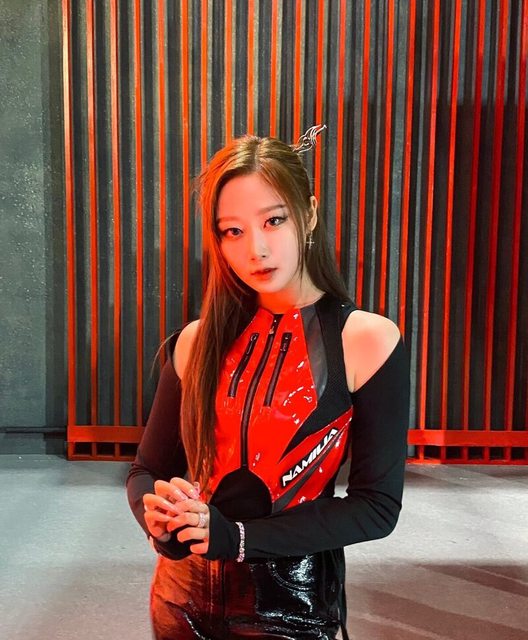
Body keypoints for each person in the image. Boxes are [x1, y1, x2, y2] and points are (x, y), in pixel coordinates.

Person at [126, 125, 410, 640]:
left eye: (273, 220)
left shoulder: (365, 340)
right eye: (232, 231)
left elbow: (376, 508)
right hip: (180, 594)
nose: (255, 248)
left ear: (309, 214)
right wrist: (161, 518)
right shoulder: (196, 341)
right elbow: (147, 470)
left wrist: (236, 538)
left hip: (290, 602)